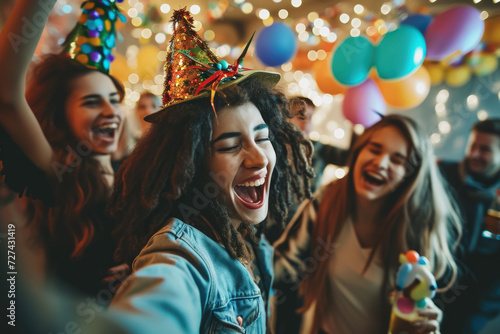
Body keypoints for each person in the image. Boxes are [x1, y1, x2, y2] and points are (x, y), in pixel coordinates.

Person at [104, 8, 313, 333]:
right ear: (191, 164)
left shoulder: (250, 240)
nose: (259, 159)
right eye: (230, 145)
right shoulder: (178, 256)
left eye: (262, 137)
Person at [274, 115, 462, 334]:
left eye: (398, 159)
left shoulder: (418, 227)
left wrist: (426, 327)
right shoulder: (327, 199)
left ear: (411, 177)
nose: (380, 163)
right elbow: (284, 264)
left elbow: (418, 308)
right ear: (358, 151)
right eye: (374, 149)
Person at [0, 0, 128, 299]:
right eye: (92, 102)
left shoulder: (135, 172)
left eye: (114, 98)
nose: (111, 111)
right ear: (61, 116)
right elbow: (7, 95)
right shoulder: (57, 171)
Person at [438, 119, 500, 333]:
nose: (474, 154)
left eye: (484, 149)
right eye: (472, 145)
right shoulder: (443, 174)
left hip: (475, 303)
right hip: (434, 282)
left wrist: (483, 309)